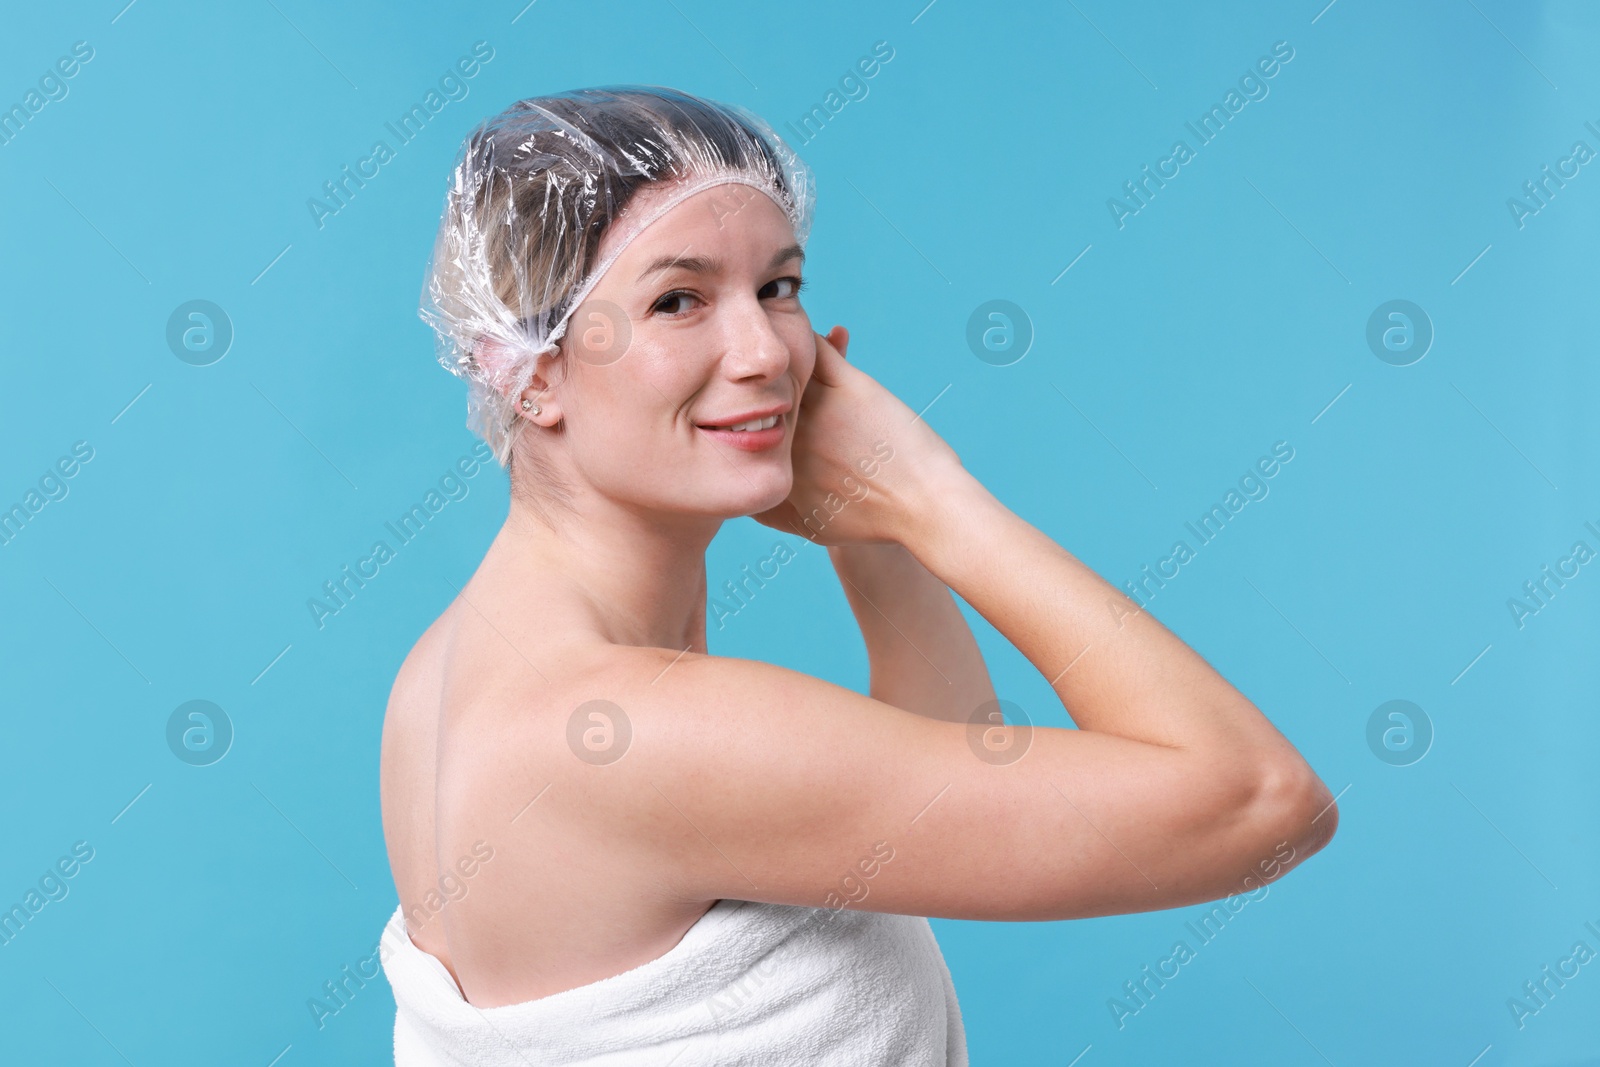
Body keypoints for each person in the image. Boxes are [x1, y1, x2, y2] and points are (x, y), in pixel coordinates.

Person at [377, 85, 1337, 1065]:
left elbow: (945, 768)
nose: (762, 351)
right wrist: (938, 498)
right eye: (678, 299)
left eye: (778, 287)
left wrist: (869, 527)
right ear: (527, 370)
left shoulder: (449, 669)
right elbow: (1259, 801)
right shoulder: (628, 732)